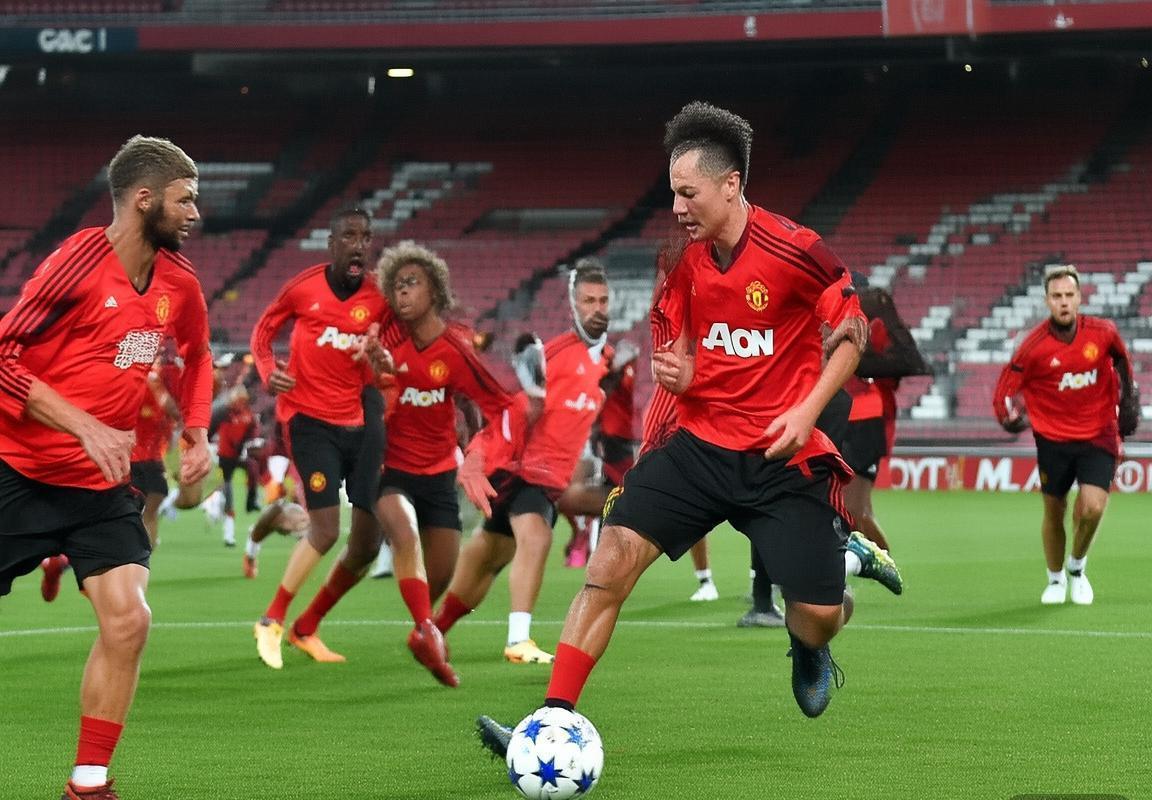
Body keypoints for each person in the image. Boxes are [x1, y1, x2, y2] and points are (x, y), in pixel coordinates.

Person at [477, 101, 884, 752]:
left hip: (782, 458)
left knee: (818, 616)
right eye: (672, 193)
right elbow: (682, 352)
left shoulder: (797, 249)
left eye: (688, 193)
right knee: (610, 560)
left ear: (731, 185)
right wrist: (683, 375)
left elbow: (853, 332)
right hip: (698, 447)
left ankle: (811, 639)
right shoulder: (682, 260)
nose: (676, 207)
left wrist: (806, 410)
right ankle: (551, 721)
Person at [0, 135, 212, 800]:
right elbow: (2, 357)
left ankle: (88, 783)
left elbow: (199, 356)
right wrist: (85, 424)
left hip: (98, 488)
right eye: (184, 199)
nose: (195, 212)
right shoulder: (77, 263)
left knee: (129, 620)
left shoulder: (180, 282)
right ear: (144, 199)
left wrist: (198, 431)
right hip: (18, 472)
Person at [292, 241, 522, 685]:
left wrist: (477, 452)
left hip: (437, 472)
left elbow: (492, 405)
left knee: (419, 567)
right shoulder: (380, 340)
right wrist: (374, 375)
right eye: (396, 285)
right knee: (403, 535)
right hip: (385, 467)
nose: (401, 293)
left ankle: (307, 624)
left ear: (435, 289)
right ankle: (427, 635)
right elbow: (354, 388)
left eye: (411, 283)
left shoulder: (455, 349)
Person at [432, 260, 612, 665]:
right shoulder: (553, 355)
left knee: (488, 556)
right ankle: (517, 639)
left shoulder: (603, 360)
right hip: (525, 471)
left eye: (603, 300)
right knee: (536, 538)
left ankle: (432, 630)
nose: (597, 308)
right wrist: (492, 444)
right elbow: (513, 407)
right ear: (573, 305)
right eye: (588, 301)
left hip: (547, 477)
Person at [250, 206, 400, 669]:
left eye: (365, 237)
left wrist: (382, 358)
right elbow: (262, 334)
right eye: (349, 237)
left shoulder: (380, 296)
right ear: (332, 244)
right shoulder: (303, 288)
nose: (358, 245)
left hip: (363, 420)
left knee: (368, 542)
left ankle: (306, 627)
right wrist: (268, 372)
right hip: (310, 421)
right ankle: (272, 619)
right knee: (327, 528)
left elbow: (393, 357)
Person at [993, 264, 1138, 606]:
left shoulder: (1103, 333)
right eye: (1057, 296)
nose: (1063, 301)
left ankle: (1077, 567)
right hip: (1053, 439)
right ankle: (1055, 578)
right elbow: (1005, 390)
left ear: (1079, 298)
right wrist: (1007, 416)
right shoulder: (1033, 346)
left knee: (1092, 507)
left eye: (1069, 295)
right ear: (1047, 300)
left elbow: (1122, 360)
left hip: (1099, 434)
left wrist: (1129, 399)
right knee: (1055, 510)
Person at [841, 276, 930, 552]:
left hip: (867, 419)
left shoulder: (876, 326)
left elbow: (898, 367)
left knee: (853, 510)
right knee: (855, 510)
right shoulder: (838, 324)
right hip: (846, 417)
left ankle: (882, 565)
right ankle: (879, 565)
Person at [130, 363, 182, 548]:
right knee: (144, 513)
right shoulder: (149, 381)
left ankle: (142, 551)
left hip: (148, 461)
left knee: (147, 512)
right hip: (138, 461)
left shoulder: (148, 382)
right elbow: (174, 412)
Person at [242, 499, 311, 578]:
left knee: (307, 537)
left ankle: (298, 567)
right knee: (256, 535)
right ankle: (250, 557)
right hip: (277, 508)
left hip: (295, 513)